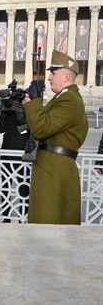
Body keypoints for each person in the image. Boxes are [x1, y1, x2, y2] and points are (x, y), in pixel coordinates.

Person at [23, 50, 88, 224]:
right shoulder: (63, 98)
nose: (49, 78)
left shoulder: (69, 100)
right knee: (42, 224)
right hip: (50, 166)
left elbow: (41, 129)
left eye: (53, 73)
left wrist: (35, 101)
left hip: (55, 169)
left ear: (66, 77)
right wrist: (29, 107)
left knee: (49, 227)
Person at [0, 98, 31, 222]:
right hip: (6, 152)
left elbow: (28, 130)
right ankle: (6, 217)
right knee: (5, 188)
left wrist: (19, 113)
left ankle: (23, 217)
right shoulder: (8, 110)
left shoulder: (29, 111)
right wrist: (5, 112)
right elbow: (0, 129)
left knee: (24, 187)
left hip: (22, 154)